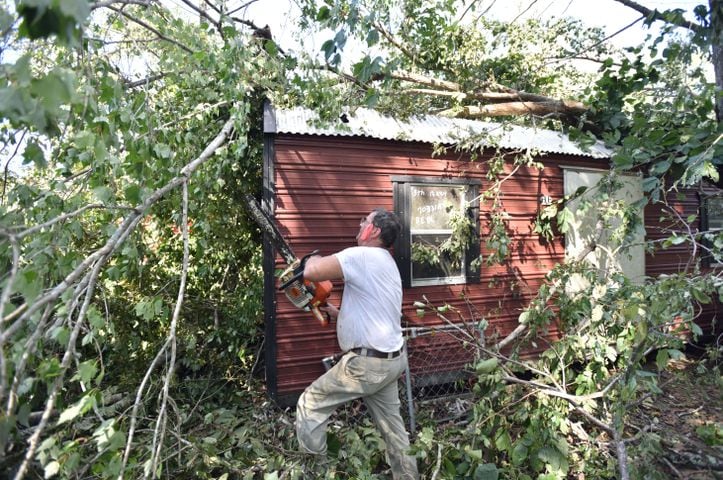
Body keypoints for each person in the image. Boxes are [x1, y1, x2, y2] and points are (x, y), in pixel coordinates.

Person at [295, 208, 419, 480]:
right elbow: (377, 311)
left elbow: (313, 270)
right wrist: (335, 312)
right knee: (393, 430)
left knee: (310, 403)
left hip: (367, 364)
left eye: (365, 221)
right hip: (391, 360)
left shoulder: (361, 255)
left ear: (374, 231)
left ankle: (314, 471)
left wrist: (311, 257)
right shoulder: (386, 262)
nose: (360, 223)